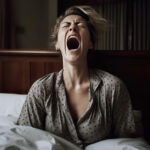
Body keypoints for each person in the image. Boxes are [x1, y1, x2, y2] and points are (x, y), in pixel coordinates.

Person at [17, 5, 137, 148]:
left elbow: (127, 142)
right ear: (56, 44)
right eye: (66, 25)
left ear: (91, 43)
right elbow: (23, 138)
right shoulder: (41, 89)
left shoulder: (112, 87)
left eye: (80, 25)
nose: (72, 28)